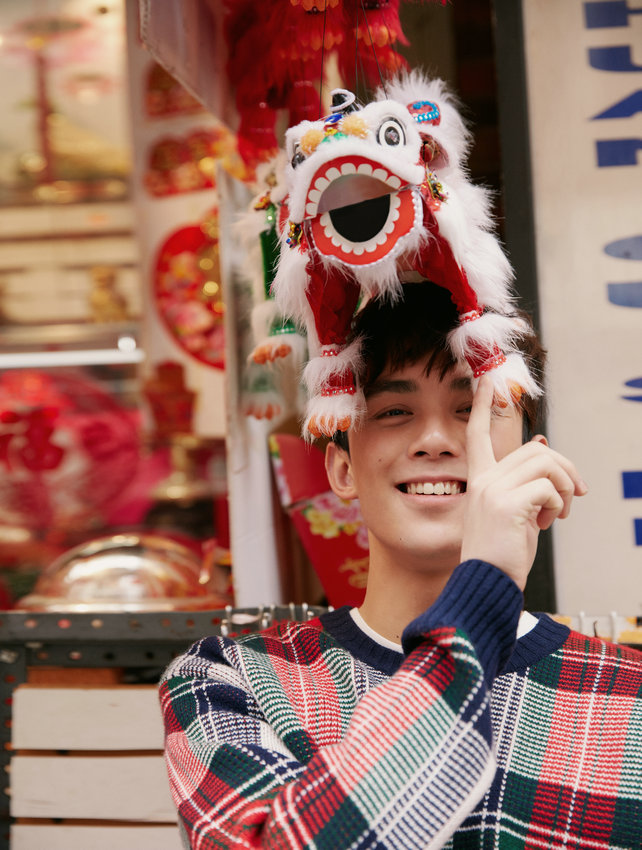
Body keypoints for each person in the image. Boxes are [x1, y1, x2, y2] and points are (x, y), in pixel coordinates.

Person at [160, 282, 642, 849]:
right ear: (342, 469)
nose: (434, 440)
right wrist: (483, 591)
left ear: (532, 459)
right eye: (394, 411)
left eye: (472, 409)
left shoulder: (630, 695)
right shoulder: (231, 678)